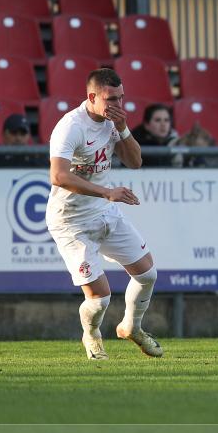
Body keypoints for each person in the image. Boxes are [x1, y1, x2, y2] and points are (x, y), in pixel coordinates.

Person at [46, 68, 163, 360]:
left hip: (104, 211)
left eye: (121, 98)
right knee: (100, 299)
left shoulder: (113, 123)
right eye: (111, 99)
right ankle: (92, 335)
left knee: (147, 274)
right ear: (92, 97)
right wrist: (107, 192)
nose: (118, 105)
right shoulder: (71, 126)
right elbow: (58, 176)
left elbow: (135, 162)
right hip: (71, 221)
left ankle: (131, 327)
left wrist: (123, 129)